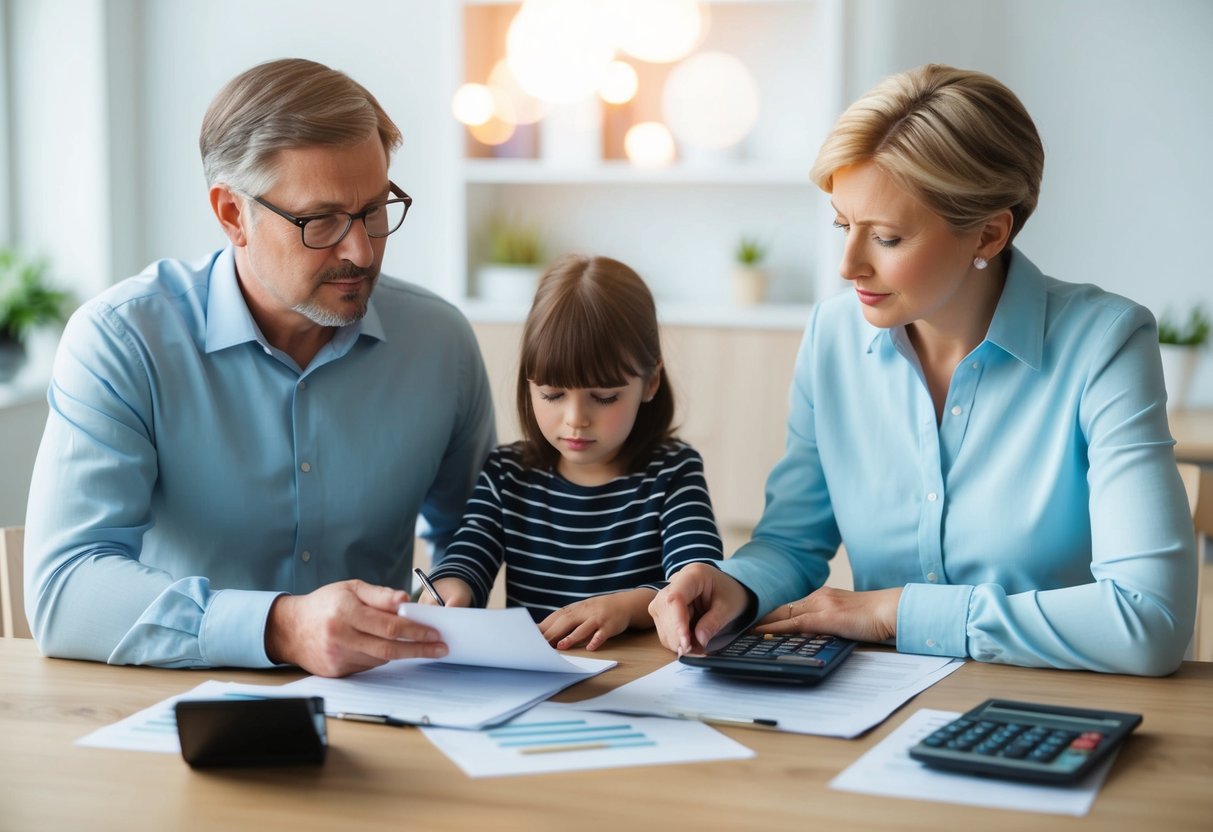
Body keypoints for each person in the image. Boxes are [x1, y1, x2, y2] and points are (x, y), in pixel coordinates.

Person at [649, 64, 1197, 676]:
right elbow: (793, 542)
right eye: (842, 225)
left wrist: (895, 613)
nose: (848, 265)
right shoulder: (832, 336)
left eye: (884, 237)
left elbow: (1150, 621)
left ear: (988, 234)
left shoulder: (1105, 344)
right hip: (869, 709)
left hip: (1050, 708)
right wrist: (735, 586)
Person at [23, 59, 496, 677]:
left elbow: (482, 521)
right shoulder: (122, 340)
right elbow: (66, 589)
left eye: (376, 209)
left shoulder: (440, 344)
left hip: (391, 710)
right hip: (173, 712)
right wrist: (280, 627)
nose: (360, 250)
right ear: (231, 214)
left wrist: (452, 588)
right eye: (320, 220)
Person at [423, 254, 724, 650]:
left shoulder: (673, 472)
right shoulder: (506, 474)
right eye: (552, 394)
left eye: (603, 397)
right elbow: (467, 558)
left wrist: (623, 607)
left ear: (650, 381)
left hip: (640, 682)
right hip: (537, 686)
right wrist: (449, 590)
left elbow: (698, 581)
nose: (576, 418)